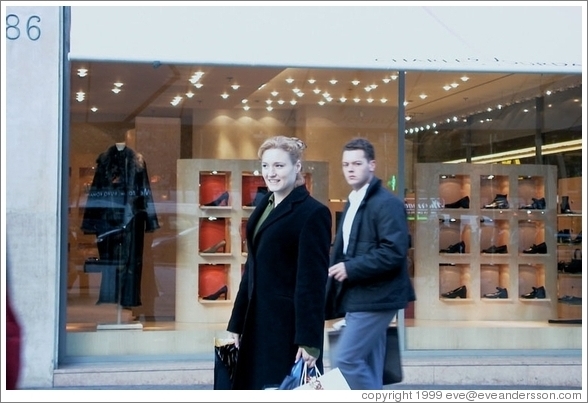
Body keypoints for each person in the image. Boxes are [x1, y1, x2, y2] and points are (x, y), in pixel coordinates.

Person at [227, 135, 332, 390]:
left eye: (279, 166)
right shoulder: (266, 203)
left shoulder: (313, 213)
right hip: (257, 322)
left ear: (297, 167)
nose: (270, 173)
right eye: (265, 166)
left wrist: (309, 341)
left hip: (286, 330)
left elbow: (312, 283)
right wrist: (236, 322)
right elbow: (252, 268)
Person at [326, 137, 415, 390]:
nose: (350, 169)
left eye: (357, 163)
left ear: (372, 165)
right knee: (369, 363)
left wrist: (350, 268)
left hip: (378, 296)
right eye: (345, 164)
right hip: (361, 295)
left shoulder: (387, 203)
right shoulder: (354, 201)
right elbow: (347, 248)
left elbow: (394, 251)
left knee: (346, 360)